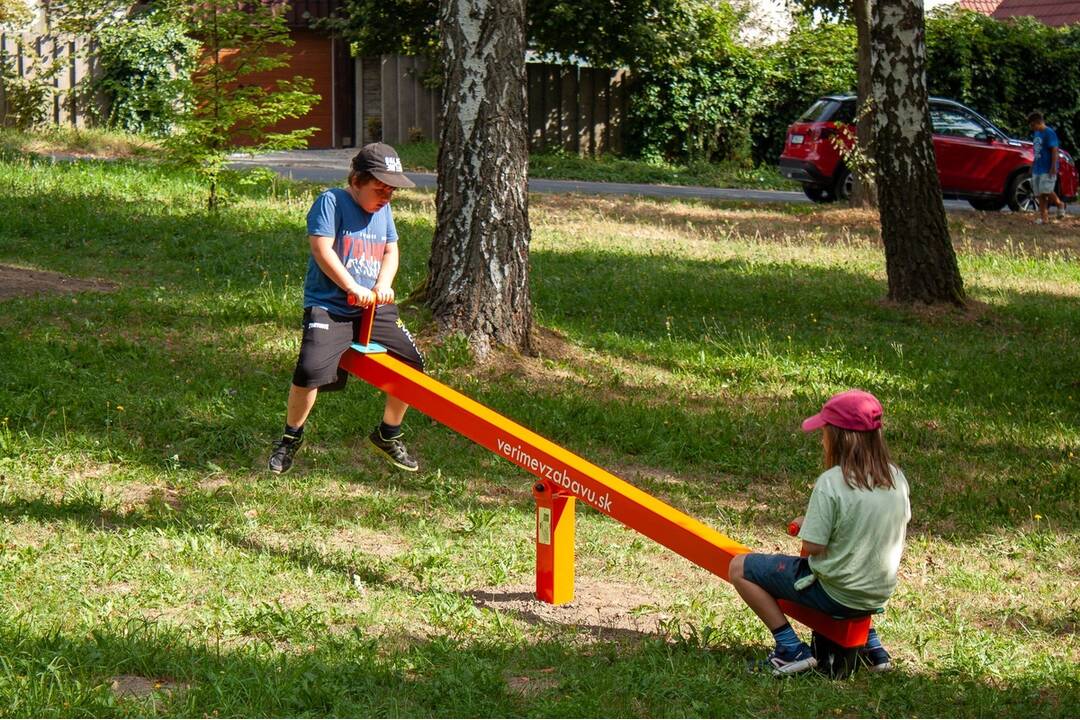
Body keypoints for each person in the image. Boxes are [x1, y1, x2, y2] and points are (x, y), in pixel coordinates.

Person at [268, 143, 425, 475]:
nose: (386, 196)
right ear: (356, 180)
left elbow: (390, 251)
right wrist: (351, 287)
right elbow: (321, 248)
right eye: (379, 188)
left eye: (391, 191)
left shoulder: (383, 210)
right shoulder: (332, 201)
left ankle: (387, 433)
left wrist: (383, 284)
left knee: (412, 364)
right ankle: (290, 437)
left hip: (372, 306)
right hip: (331, 305)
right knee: (309, 371)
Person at [728, 390, 911, 676]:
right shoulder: (895, 477)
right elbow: (866, 528)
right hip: (877, 592)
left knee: (739, 567)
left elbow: (813, 545)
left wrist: (809, 525)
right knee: (854, 566)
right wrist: (814, 520)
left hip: (835, 592)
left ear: (838, 437)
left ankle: (789, 649)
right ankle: (871, 647)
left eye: (824, 433)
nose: (822, 440)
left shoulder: (832, 482)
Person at [1028, 112, 1067, 224]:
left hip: (1047, 167)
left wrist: (1053, 166)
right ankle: (1044, 218)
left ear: (1038, 122)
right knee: (1040, 194)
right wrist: (1032, 164)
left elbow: (1054, 150)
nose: (1032, 128)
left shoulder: (1049, 133)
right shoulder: (1037, 133)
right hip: (1037, 167)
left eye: (1032, 125)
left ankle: (1060, 204)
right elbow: (1037, 151)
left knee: (1046, 190)